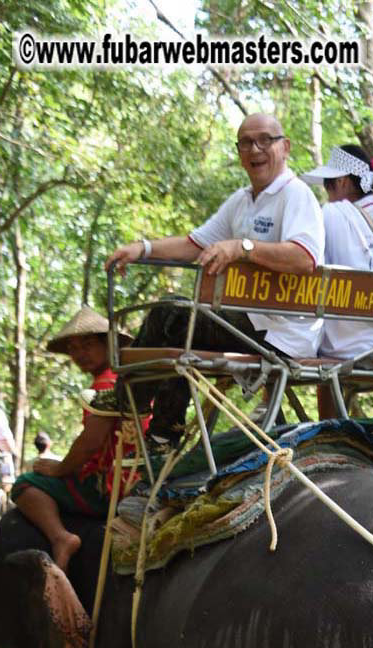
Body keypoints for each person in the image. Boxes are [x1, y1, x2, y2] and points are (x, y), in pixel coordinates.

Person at [105, 113, 325, 440]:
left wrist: (243, 247)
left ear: (285, 147)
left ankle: (129, 403)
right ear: (239, 152)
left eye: (265, 140)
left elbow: (305, 258)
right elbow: (194, 244)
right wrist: (144, 248)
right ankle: (164, 431)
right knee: (184, 323)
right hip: (246, 323)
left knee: (173, 315)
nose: (256, 149)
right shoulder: (241, 201)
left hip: (279, 332)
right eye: (246, 143)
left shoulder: (295, 194)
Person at [10, 307, 139, 571]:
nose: (80, 354)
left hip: (113, 486)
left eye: (88, 345)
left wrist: (59, 468)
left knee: (25, 484)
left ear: (108, 345)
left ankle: (61, 538)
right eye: (74, 348)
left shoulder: (107, 383)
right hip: (135, 474)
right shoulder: (126, 378)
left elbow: (91, 441)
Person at [302, 144, 373, 366]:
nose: (328, 196)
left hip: (344, 350)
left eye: (329, 188)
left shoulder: (331, 213)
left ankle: (267, 401)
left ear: (342, 182)